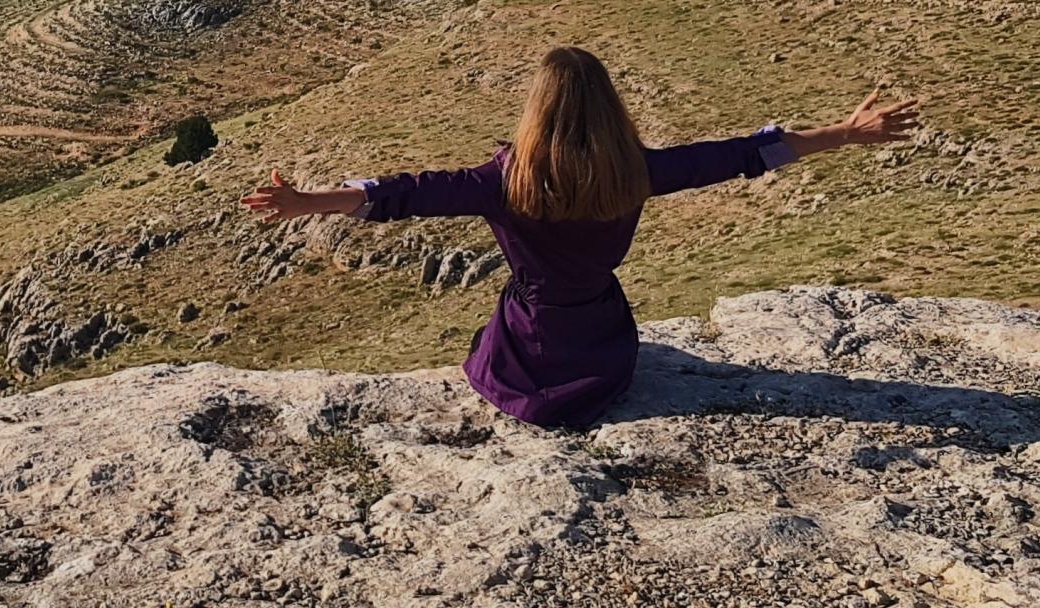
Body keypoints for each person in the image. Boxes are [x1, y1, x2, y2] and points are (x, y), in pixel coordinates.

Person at [240, 46, 919, 428]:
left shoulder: (501, 181)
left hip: (528, 354)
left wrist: (306, 202)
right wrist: (846, 133)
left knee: (487, 342)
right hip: (605, 344)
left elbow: (402, 194)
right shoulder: (640, 172)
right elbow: (742, 153)